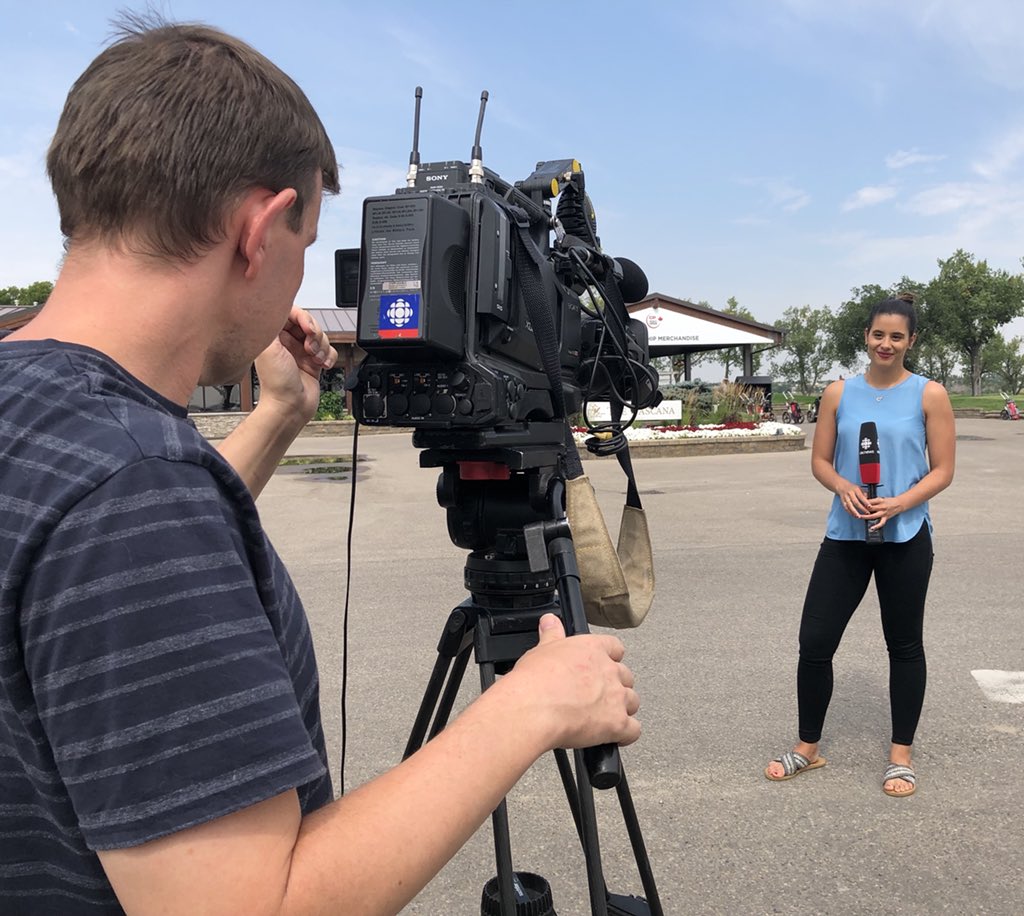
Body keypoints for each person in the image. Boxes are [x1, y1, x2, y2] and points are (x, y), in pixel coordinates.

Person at [0, 17, 641, 914]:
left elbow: (75, 582)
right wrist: (530, 708)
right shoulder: (137, 486)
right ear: (259, 230)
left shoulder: (43, 412)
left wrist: (278, 416)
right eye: (307, 249)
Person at [764, 293, 955, 797]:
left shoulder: (929, 394)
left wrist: (899, 503)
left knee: (905, 645)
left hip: (905, 535)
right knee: (815, 643)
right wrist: (842, 486)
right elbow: (821, 461)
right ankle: (808, 747)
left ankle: (900, 755)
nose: (885, 344)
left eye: (897, 336)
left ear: (911, 340)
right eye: (878, 334)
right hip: (845, 535)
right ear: (866, 336)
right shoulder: (837, 393)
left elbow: (943, 471)